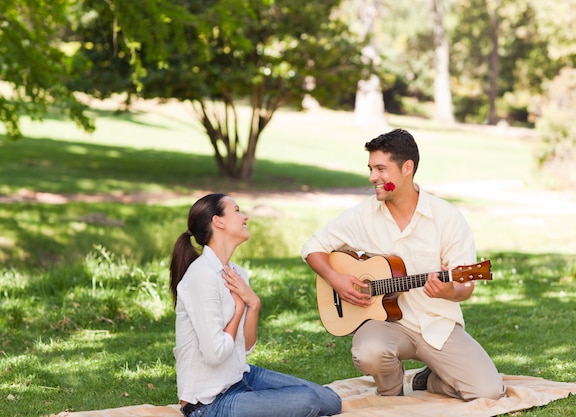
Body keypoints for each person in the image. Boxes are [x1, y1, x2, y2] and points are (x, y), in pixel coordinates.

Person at [302, 129, 505, 400]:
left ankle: (429, 379)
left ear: (407, 168)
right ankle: (391, 390)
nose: (373, 177)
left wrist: (449, 291)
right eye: (371, 168)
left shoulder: (447, 218)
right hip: (384, 323)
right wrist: (335, 278)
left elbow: (464, 284)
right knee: (369, 352)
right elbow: (312, 248)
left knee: (488, 392)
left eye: (381, 169)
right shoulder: (363, 215)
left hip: (437, 324)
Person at [170, 193, 342, 417]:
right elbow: (215, 354)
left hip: (239, 377)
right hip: (208, 403)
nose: (245, 217)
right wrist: (239, 308)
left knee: (331, 401)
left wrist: (254, 304)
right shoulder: (202, 275)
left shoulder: (236, 273)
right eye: (237, 210)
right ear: (218, 221)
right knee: (307, 401)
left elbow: (245, 346)